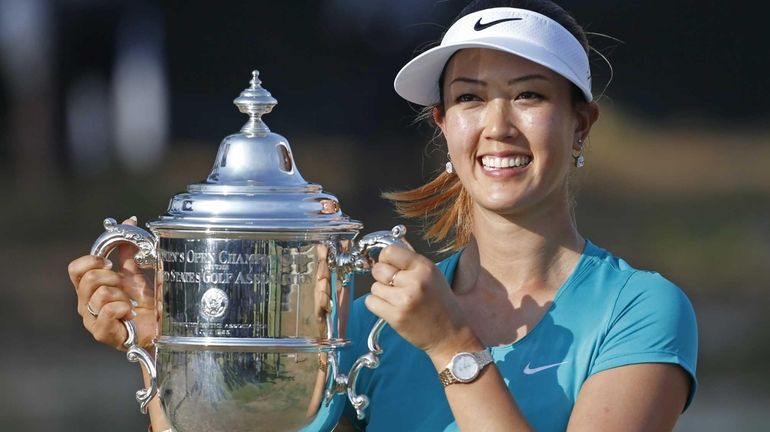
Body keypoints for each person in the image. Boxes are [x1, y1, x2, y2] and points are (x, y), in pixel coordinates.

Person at [68, 0, 698, 431]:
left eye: (529, 96)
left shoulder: (640, 309)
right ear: (444, 126)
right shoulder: (376, 313)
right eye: (470, 99)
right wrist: (174, 353)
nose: (497, 127)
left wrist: (452, 347)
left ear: (580, 124)